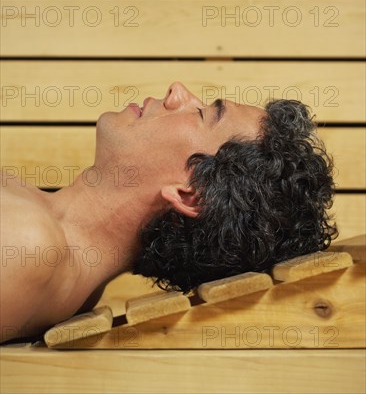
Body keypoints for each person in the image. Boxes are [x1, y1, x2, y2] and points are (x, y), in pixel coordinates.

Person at [0, 82, 338, 343]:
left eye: (202, 114)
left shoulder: (28, 246)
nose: (177, 91)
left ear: (188, 195)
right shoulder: (48, 244)